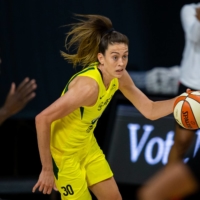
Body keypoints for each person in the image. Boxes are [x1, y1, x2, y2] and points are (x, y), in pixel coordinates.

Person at [32, 14, 184, 200]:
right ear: (100, 58)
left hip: (87, 146)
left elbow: (150, 110)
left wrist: (182, 100)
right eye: (115, 57)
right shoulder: (88, 88)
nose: (121, 63)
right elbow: (42, 118)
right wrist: (47, 169)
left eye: (124, 56)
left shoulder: (119, 77)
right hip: (63, 155)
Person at [167, 3, 200, 163]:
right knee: (182, 142)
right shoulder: (190, 10)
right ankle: (168, 188)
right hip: (191, 88)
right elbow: (195, 36)